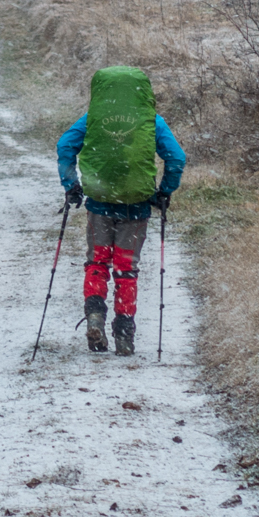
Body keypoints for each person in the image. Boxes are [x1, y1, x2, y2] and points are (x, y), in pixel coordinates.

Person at [57, 95, 186, 356]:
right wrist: (165, 191)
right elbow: (176, 158)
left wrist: (71, 185)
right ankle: (124, 334)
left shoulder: (93, 119)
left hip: (100, 204)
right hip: (135, 207)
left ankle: (95, 316)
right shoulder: (152, 121)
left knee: (97, 262)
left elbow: (64, 146)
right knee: (126, 269)